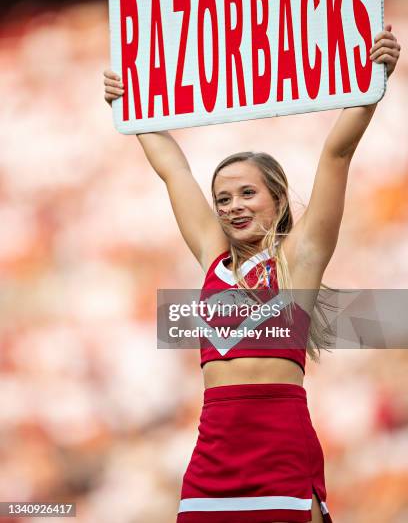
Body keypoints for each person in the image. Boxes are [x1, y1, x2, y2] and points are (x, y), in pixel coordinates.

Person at [104, 25, 400, 523]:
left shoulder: (300, 260)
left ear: (278, 199)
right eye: (223, 198)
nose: (233, 207)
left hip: (280, 452)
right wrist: (129, 104)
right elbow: (174, 170)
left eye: (247, 193)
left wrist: (375, 79)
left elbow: (337, 154)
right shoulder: (212, 258)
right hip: (212, 457)